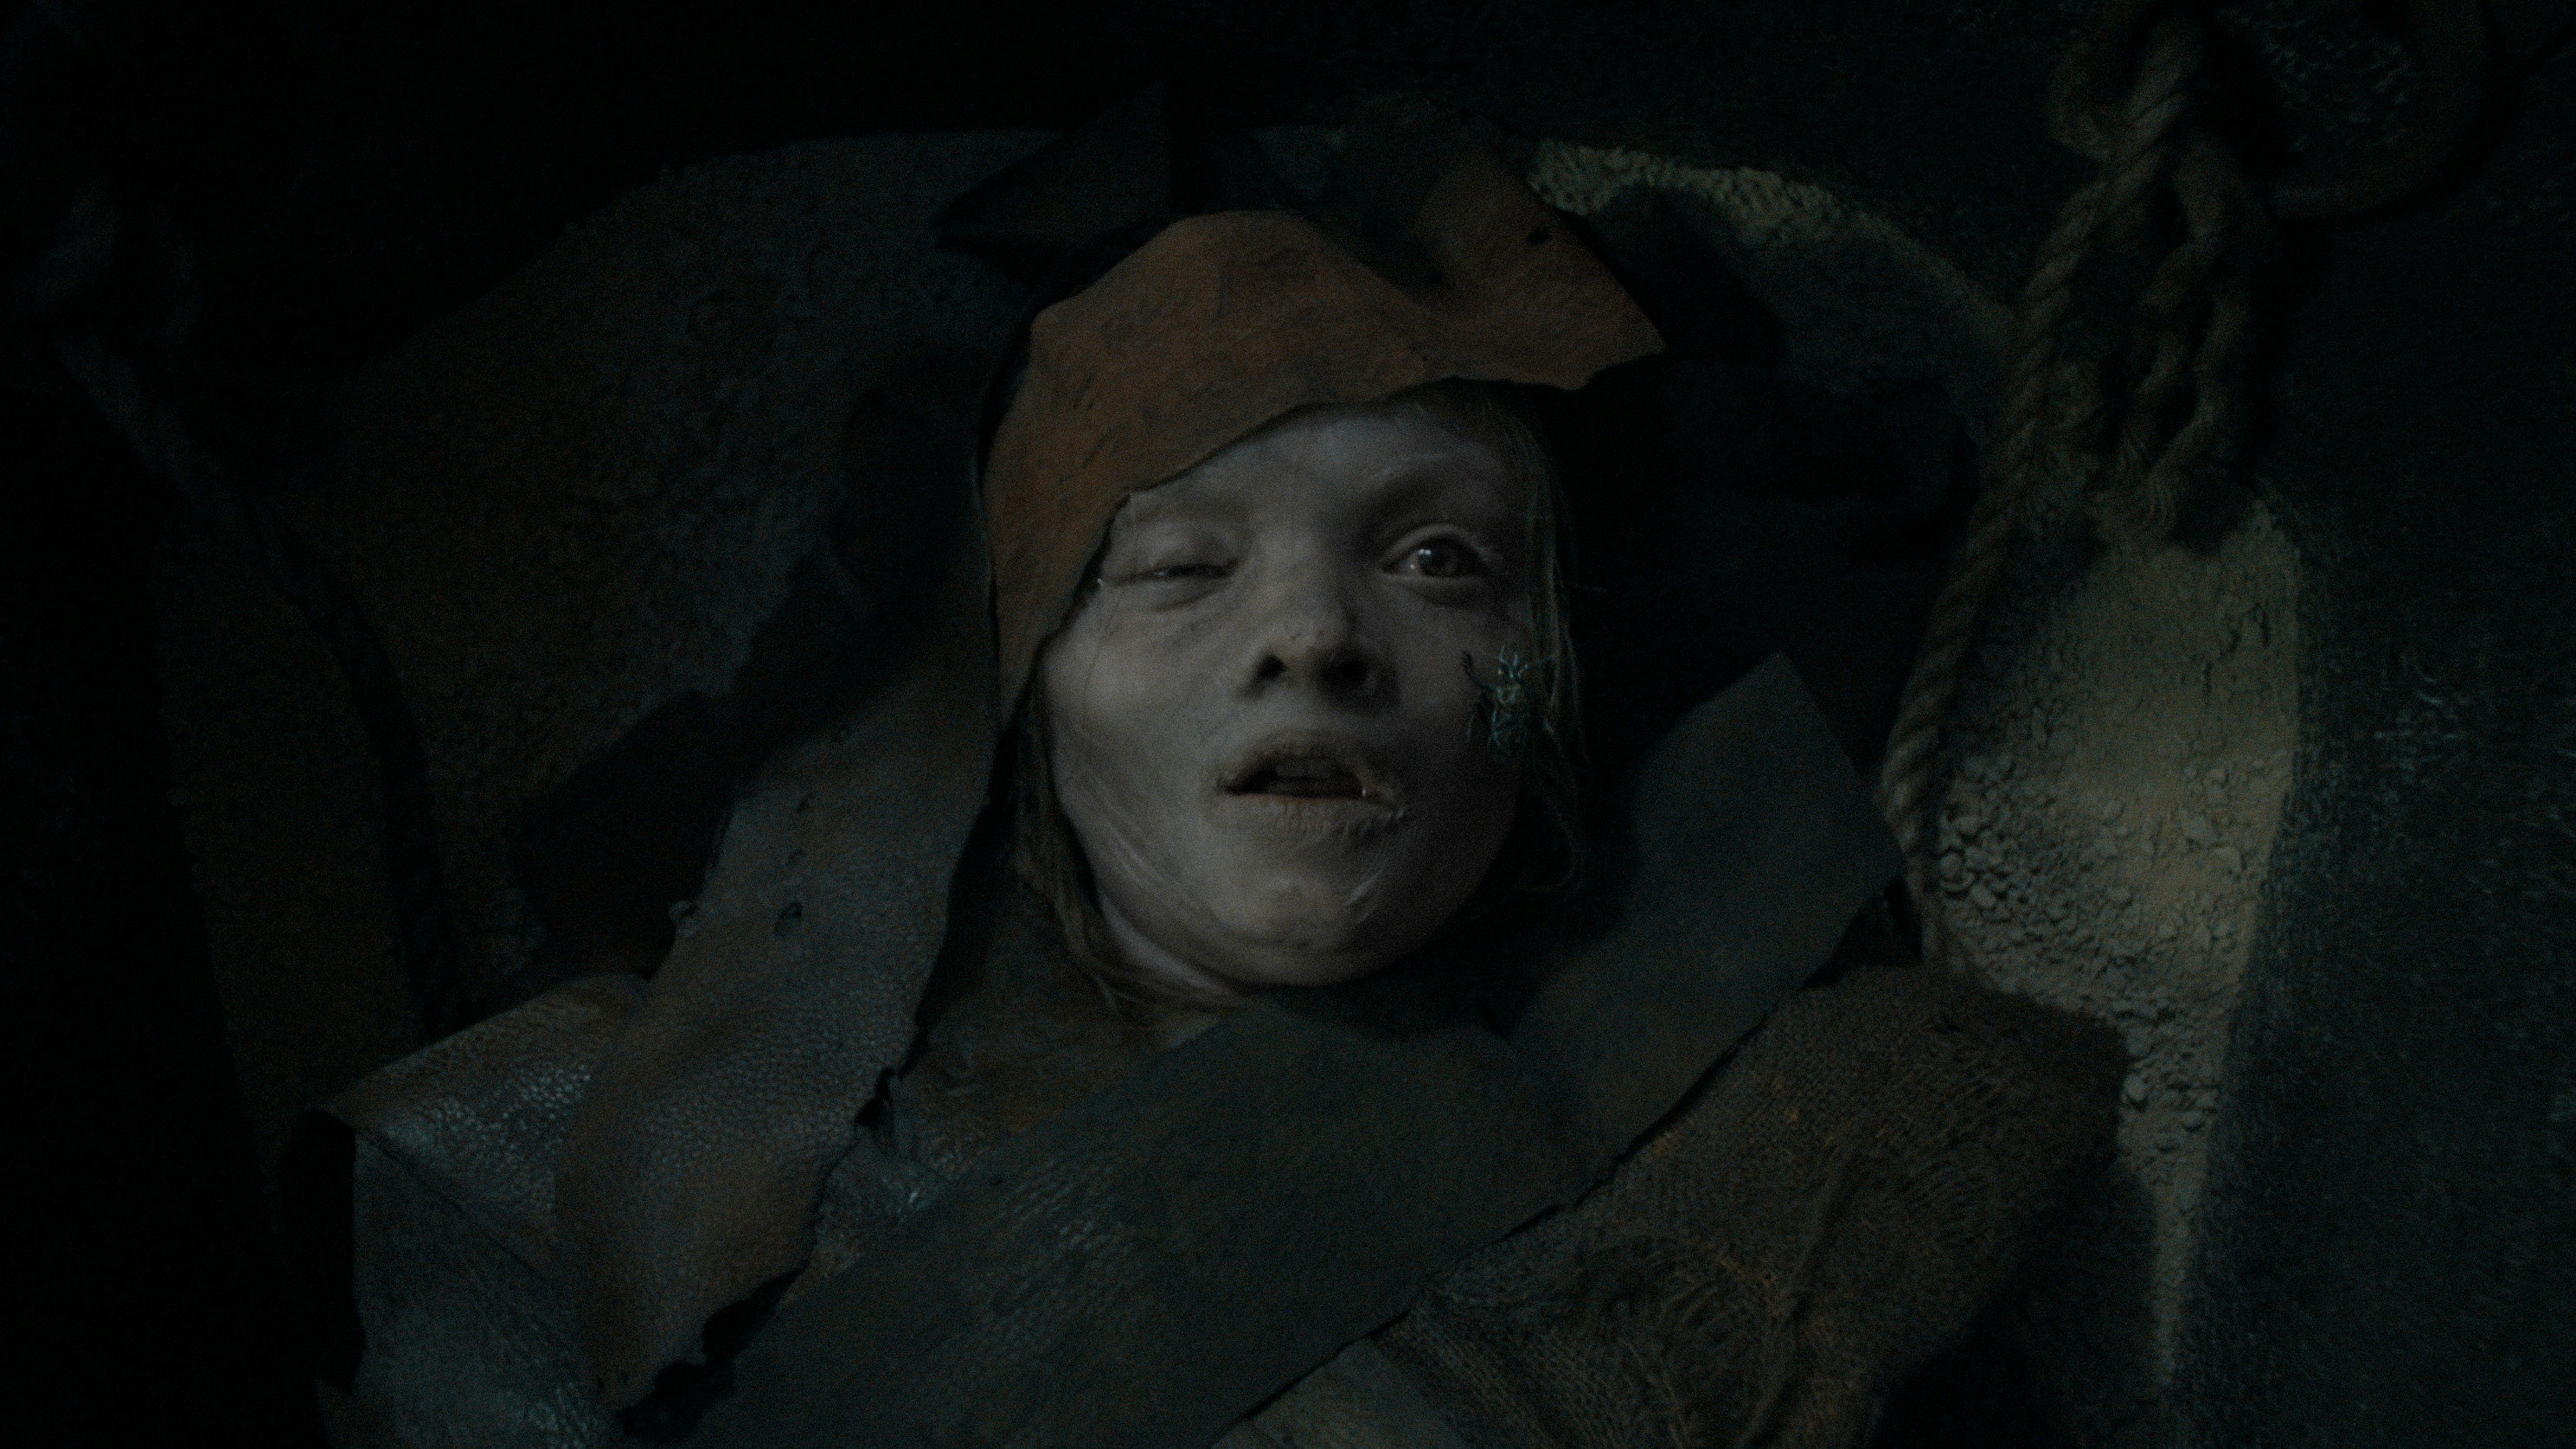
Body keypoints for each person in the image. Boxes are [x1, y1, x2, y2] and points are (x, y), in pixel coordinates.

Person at [306, 107, 2118, 1449]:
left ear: (1542, 689)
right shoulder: (544, 1168)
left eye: (1437, 566)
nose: (1314, 635)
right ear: (1031, 694)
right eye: (1178, 569)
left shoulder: (1834, 1142)